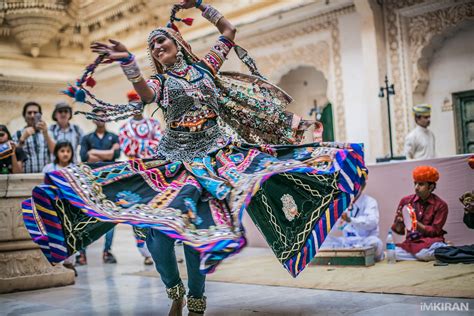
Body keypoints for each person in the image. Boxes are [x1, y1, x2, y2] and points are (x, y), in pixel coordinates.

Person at [21, 1, 367, 315]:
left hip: (215, 158)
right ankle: (174, 291)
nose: (157, 47)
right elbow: (143, 94)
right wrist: (129, 63)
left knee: (199, 229)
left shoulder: (207, 68)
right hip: (172, 161)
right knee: (158, 234)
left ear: (177, 42)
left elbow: (228, 32)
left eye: (162, 40)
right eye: (152, 46)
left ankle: (197, 300)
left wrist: (201, 5)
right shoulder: (161, 83)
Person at [119, 90, 162, 265]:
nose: (135, 107)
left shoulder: (154, 124)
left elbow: (158, 145)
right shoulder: (124, 128)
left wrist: (138, 145)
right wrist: (146, 146)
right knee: (136, 213)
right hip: (135, 174)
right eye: (132, 103)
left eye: (138, 103)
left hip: (154, 173)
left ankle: (160, 249)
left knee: (156, 211)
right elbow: (127, 148)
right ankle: (145, 252)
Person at [77, 109, 121, 265]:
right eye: (97, 115)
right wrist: (108, 152)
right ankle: (81, 254)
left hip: (109, 182)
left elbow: (114, 156)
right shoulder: (87, 137)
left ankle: (107, 252)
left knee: (110, 217)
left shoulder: (114, 136)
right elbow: (85, 157)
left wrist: (94, 153)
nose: (100, 118)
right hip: (90, 182)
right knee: (85, 216)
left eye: (103, 115)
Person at [391, 166, 448, 261]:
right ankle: (440, 252)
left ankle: (439, 249)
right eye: (415, 183)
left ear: (431, 187)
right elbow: (399, 231)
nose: (416, 188)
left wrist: (414, 223)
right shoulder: (406, 201)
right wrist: (399, 222)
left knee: (424, 254)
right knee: (392, 253)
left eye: (420, 184)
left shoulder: (441, 205)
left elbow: (434, 232)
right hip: (412, 242)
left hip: (431, 242)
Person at [321, 185, 384, 262]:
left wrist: (350, 220)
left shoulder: (369, 201)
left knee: (376, 243)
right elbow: (333, 229)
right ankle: (348, 256)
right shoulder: (342, 202)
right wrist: (334, 220)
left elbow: (371, 222)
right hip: (346, 243)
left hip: (364, 241)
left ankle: (351, 256)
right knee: (323, 242)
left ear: (363, 186)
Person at [42, 140, 77, 275]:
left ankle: (69, 263)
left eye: (68, 151)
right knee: (55, 235)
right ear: (56, 152)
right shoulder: (49, 169)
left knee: (71, 235)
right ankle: (57, 263)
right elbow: (43, 187)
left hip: (70, 208)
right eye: (62, 151)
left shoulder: (74, 168)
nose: (65, 154)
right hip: (53, 208)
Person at [13, 102, 55, 173]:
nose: (32, 116)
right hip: (25, 178)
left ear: (40, 115)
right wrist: (22, 139)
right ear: (24, 116)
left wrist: (46, 134)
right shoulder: (18, 134)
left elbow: (55, 152)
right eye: (29, 113)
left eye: (35, 113)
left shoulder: (48, 132)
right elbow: (12, 156)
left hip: (45, 177)